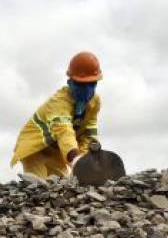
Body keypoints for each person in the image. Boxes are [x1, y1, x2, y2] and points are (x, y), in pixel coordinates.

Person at [10, 51, 103, 180]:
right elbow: (64, 131)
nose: (87, 89)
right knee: (39, 188)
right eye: (81, 84)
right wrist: (76, 159)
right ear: (71, 81)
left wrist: (88, 159)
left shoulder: (94, 102)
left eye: (91, 84)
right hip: (35, 150)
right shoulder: (58, 102)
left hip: (56, 152)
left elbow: (88, 133)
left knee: (62, 187)